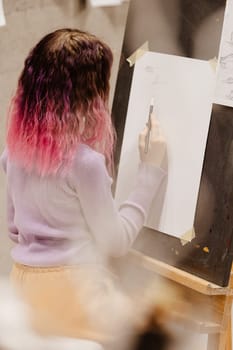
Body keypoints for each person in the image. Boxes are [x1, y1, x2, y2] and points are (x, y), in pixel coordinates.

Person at [0, 28, 167, 345]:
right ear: (90, 96)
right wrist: (149, 171)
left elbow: (13, 228)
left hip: (23, 283)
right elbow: (115, 241)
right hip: (73, 291)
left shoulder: (14, 152)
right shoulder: (85, 163)